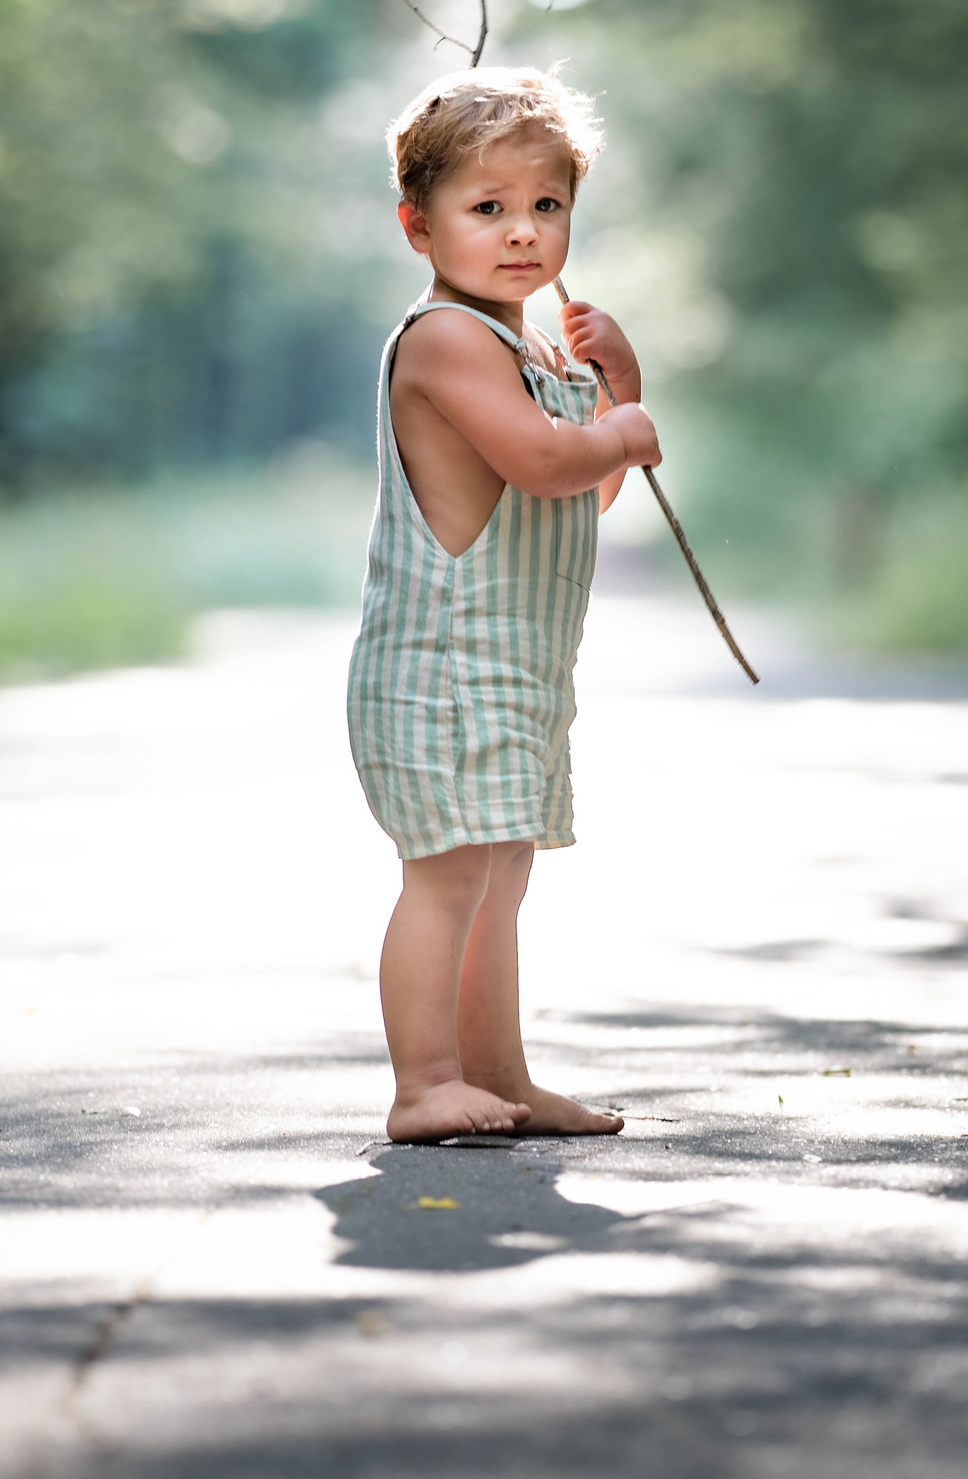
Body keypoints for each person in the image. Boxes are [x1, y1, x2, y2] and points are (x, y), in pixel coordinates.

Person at [345, 66, 661, 1143]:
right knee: (445, 879)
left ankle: (502, 1078)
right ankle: (423, 1083)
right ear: (418, 227)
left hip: (513, 667)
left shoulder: (530, 350)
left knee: (498, 877)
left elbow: (590, 490)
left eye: (545, 206)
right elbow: (543, 463)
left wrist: (617, 388)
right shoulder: (443, 341)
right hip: (443, 664)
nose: (521, 231)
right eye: (486, 208)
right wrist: (613, 430)